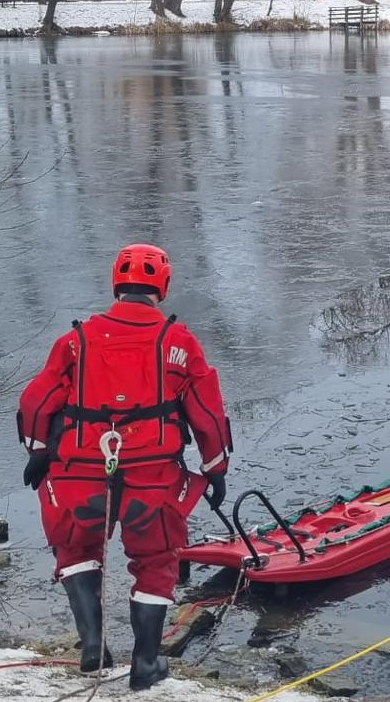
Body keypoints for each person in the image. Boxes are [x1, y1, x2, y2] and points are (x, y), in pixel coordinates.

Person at [17, 243, 232, 691]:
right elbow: (208, 414)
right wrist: (216, 468)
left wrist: (38, 452)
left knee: (75, 548)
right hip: (151, 479)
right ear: (162, 287)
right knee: (156, 560)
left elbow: (37, 400)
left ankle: (93, 646)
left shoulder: (76, 340)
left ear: (116, 283)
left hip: (80, 472)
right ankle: (146, 663)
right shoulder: (179, 342)